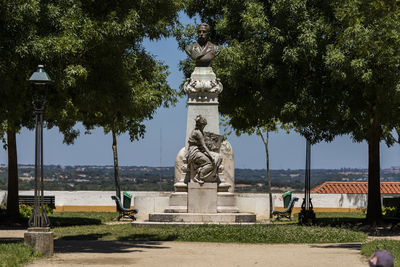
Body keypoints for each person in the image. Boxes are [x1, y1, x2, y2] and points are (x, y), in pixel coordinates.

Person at [186, 115, 222, 184]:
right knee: (211, 162)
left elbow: (204, 144)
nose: (204, 126)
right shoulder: (198, 133)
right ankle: (199, 176)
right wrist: (211, 156)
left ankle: (206, 172)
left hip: (199, 151)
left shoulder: (200, 132)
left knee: (218, 157)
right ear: (200, 124)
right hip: (195, 152)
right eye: (203, 125)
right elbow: (204, 146)